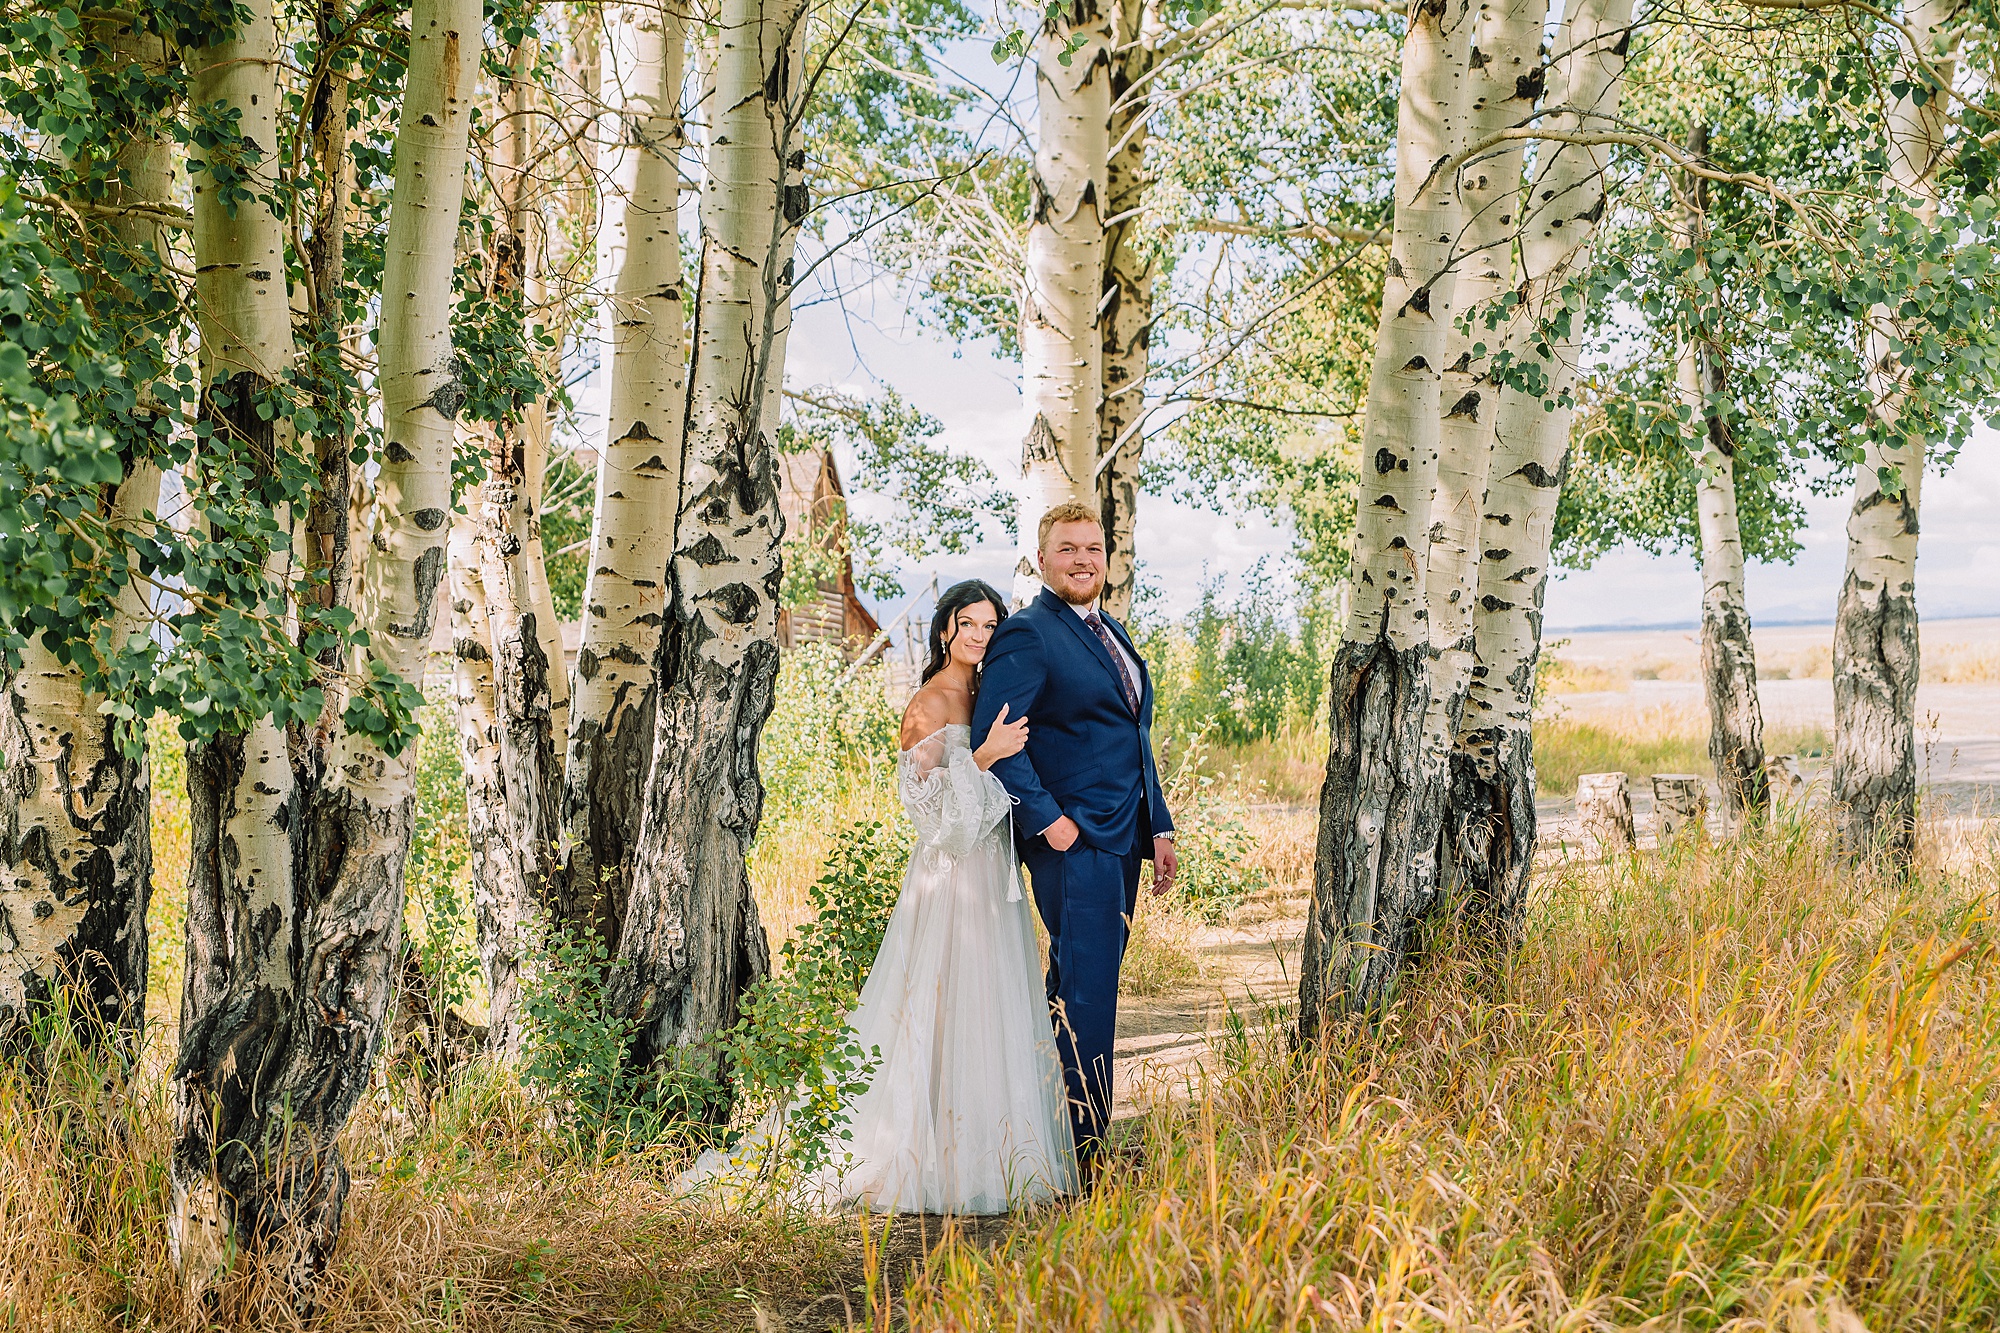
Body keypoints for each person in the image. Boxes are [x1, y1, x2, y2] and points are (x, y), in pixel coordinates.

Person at [682, 579, 1077, 1212]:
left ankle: (985, 1145)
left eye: (989, 625)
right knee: (939, 1002)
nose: (978, 636)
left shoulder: (990, 691)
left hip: (995, 877)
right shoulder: (929, 702)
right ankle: (915, 1150)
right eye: (966, 623)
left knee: (987, 1005)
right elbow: (929, 818)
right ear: (944, 628)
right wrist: (983, 758)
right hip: (950, 883)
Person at [971, 502, 1176, 1179]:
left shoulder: (1107, 628)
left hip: (1121, 837)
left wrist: (1160, 823)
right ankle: (1087, 1162)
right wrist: (1049, 820)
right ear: (1041, 557)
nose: (1083, 559)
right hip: (1074, 842)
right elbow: (994, 742)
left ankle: (1057, 1140)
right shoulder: (1029, 633)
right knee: (1088, 995)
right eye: (1068, 548)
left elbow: (1132, 734)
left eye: (1093, 547)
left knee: (1082, 989)